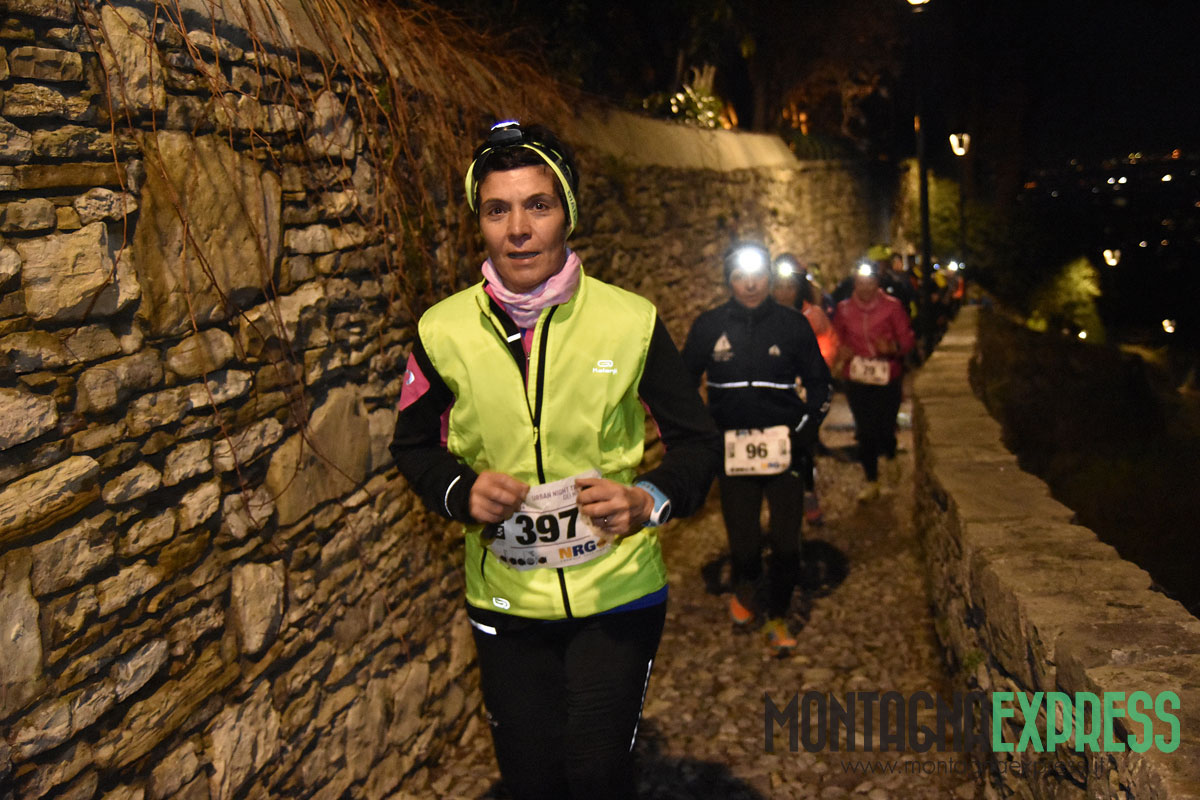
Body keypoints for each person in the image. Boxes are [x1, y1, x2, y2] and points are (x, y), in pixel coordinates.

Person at [390, 120, 721, 800]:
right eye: (497, 210)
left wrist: (648, 500)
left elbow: (697, 442)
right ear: (479, 223)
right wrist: (460, 493)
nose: (518, 229)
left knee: (597, 773)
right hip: (506, 598)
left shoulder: (630, 321)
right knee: (531, 779)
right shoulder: (442, 330)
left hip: (617, 593)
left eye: (537, 205)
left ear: (566, 213)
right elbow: (413, 446)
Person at [682, 241, 832, 652]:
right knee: (744, 541)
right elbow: (682, 382)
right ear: (729, 281)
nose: (750, 285)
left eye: (758, 276)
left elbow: (820, 383)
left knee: (786, 542)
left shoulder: (792, 325)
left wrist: (804, 430)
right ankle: (747, 584)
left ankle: (778, 614)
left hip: (786, 449)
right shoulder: (709, 325)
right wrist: (704, 432)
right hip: (733, 452)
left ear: (769, 278)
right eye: (740, 277)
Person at [831, 262, 916, 502]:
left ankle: (890, 456)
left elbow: (907, 339)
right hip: (857, 375)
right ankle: (871, 480)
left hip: (887, 374)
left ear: (877, 283)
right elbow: (836, 338)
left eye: (870, 283)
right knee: (865, 430)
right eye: (861, 283)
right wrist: (841, 350)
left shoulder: (892, 307)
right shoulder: (844, 309)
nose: (866, 288)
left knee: (885, 427)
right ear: (854, 284)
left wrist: (892, 347)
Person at [771, 253, 838, 525]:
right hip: (775, 395)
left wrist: (814, 373)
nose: (784, 293)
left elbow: (828, 347)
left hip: (803, 394)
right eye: (779, 287)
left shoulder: (814, 316)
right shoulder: (763, 319)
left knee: (803, 445)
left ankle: (808, 492)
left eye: (789, 287)